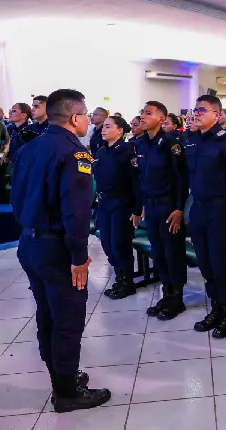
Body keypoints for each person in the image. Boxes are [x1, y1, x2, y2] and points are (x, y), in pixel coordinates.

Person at [11, 88, 110, 413]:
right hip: (56, 249)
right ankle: (66, 393)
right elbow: (76, 213)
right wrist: (78, 257)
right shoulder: (75, 154)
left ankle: (60, 376)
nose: (88, 121)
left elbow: (16, 197)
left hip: (30, 243)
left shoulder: (29, 147)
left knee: (47, 313)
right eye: (85, 115)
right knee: (67, 319)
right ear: (74, 117)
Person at [184, 95, 226, 338]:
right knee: (205, 262)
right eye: (195, 110)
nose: (197, 113)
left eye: (202, 110)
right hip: (199, 208)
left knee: (220, 263)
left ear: (216, 114)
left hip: (220, 209)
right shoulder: (191, 141)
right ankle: (215, 307)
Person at [134, 101, 189, 319]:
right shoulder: (142, 144)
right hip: (152, 205)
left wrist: (179, 208)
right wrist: (140, 207)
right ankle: (166, 294)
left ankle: (177, 298)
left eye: (148, 113)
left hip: (169, 206)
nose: (143, 117)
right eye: (142, 113)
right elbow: (141, 178)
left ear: (161, 118)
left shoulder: (170, 143)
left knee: (172, 252)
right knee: (158, 252)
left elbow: (181, 178)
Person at [94, 116, 140, 301]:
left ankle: (127, 282)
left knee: (119, 244)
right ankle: (119, 277)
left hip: (122, 203)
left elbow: (136, 182)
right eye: (103, 127)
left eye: (107, 126)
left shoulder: (127, 151)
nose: (103, 130)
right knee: (106, 243)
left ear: (120, 130)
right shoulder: (101, 152)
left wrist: (137, 209)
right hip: (104, 203)